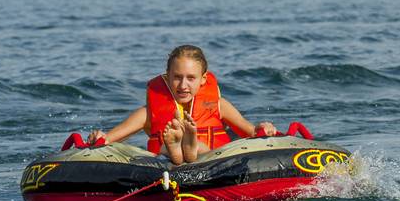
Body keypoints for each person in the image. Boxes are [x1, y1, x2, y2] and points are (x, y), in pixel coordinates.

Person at [87, 45, 278, 165]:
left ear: (203, 80)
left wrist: (263, 127)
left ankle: (188, 146)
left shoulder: (219, 105)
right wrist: (101, 136)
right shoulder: (148, 113)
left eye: (190, 78)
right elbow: (109, 140)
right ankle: (177, 149)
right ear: (167, 77)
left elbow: (252, 133)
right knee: (163, 149)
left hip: (212, 162)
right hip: (164, 165)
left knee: (199, 149)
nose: (183, 85)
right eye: (177, 77)